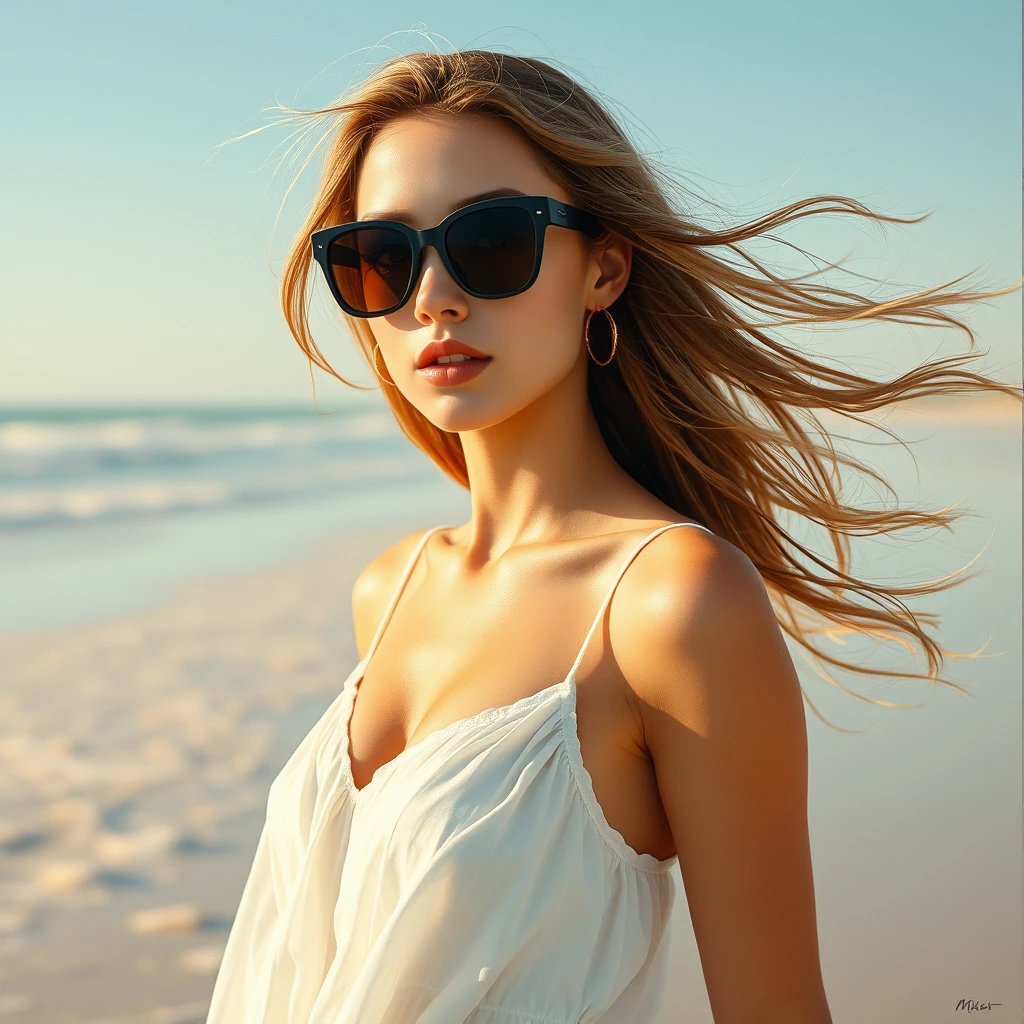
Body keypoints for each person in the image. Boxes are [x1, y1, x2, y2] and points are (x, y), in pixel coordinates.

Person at [206, 50, 1018, 1024]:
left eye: (492, 240)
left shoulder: (674, 604)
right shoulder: (389, 589)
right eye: (380, 256)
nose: (432, 296)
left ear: (604, 266)